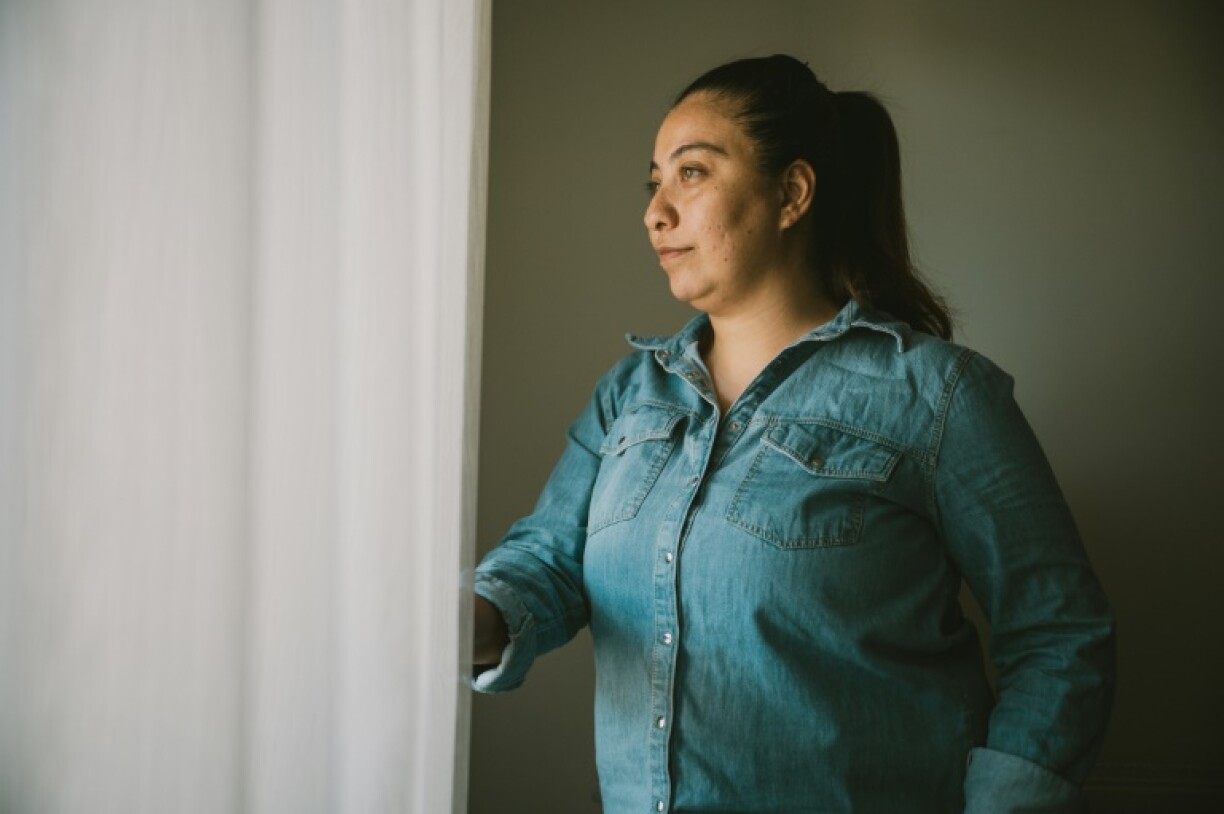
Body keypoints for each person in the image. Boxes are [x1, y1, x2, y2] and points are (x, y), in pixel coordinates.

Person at [471, 54, 1114, 813]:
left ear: (792, 193)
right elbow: (547, 560)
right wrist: (467, 618)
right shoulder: (629, 397)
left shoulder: (936, 395)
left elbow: (1059, 635)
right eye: (654, 182)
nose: (656, 211)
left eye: (692, 174)